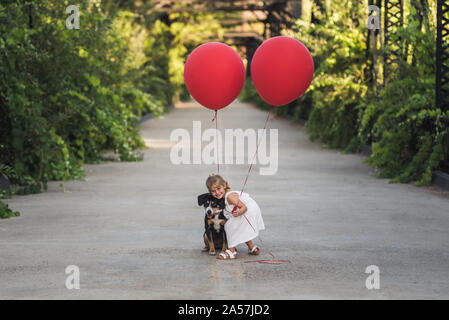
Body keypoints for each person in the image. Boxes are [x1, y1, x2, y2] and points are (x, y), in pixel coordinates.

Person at [205, 174, 265, 260]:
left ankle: (231, 251)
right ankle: (252, 248)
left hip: (248, 210)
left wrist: (240, 212)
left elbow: (244, 207)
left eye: (219, 189)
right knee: (240, 228)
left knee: (229, 226)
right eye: (213, 191)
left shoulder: (229, 197)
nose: (217, 193)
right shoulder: (224, 197)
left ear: (224, 185)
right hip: (249, 211)